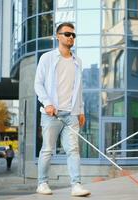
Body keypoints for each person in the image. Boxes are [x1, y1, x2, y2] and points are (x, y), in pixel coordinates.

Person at [34, 22, 90, 197]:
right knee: (48, 149)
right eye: (67, 34)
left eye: (73, 35)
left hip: (72, 114)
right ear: (58, 36)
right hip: (52, 114)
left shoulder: (77, 61)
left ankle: (76, 185)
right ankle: (42, 183)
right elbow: (38, 83)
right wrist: (47, 103)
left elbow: (78, 89)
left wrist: (81, 110)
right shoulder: (47, 58)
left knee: (73, 150)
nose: (71, 37)